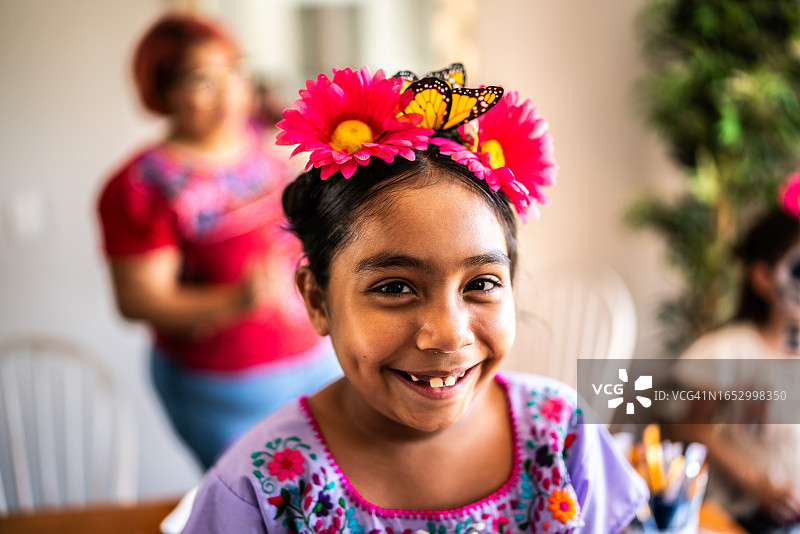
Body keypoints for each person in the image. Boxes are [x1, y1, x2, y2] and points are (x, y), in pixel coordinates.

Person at [179, 64, 648, 533]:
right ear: (318, 300)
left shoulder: (563, 436)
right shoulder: (258, 488)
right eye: (395, 288)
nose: (447, 335)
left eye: (481, 284)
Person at [96, 13, 341, 469]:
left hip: (321, 359)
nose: (228, 91)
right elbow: (138, 299)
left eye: (234, 71)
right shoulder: (144, 186)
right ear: (164, 91)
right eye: (201, 80)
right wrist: (234, 300)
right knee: (259, 508)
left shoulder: (268, 139)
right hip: (224, 391)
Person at [673, 182, 800, 533]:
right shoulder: (732, 351)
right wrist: (754, 480)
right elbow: (692, 426)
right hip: (748, 517)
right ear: (762, 278)